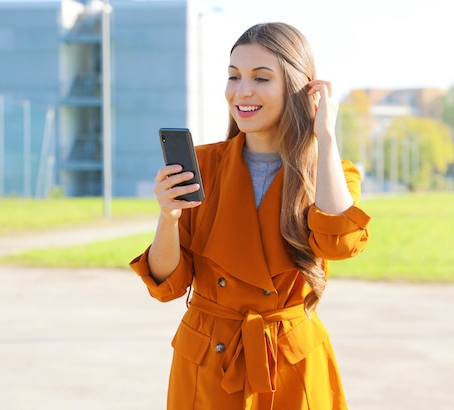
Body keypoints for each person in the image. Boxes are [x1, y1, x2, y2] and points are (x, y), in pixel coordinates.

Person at [130, 22, 370, 410]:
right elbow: (167, 285)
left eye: (261, 78)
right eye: (233, 76)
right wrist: (168, 217)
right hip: (208, 362)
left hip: (290, 362)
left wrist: (325, 136)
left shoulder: (332, 172)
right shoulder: (203, 166)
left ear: (297, 86)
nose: (242, 91)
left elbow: (339, 244)